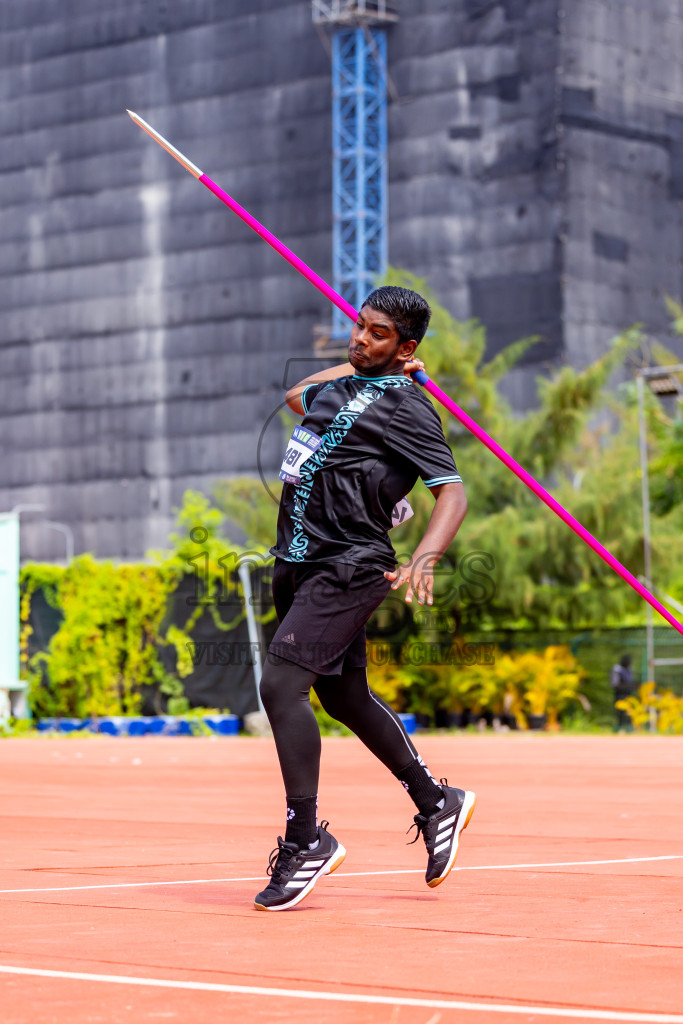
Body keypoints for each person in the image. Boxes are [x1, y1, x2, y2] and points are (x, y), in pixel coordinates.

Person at [254, 285, 475, 912]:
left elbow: (451, 493)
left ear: (407, 346)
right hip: (296, 561)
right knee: (343, 694)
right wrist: (364, 359)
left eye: (379, 334)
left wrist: (425, 556)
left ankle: (306, 840)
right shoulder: (338, 388)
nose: (360, 338)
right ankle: (438, 802)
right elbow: (294, 397)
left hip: (348, 565)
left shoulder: (409, 407)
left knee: (281, 687)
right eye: (359, 326)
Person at [611, 654, 635, 731]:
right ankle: (620, 728)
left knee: (629, 712)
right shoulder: (617, 669)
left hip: (628, 694)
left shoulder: (629, 669)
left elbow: (630, 681)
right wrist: (628, 685)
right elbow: (615, 684)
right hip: (620, 694)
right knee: (621, 713)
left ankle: (629, 728)